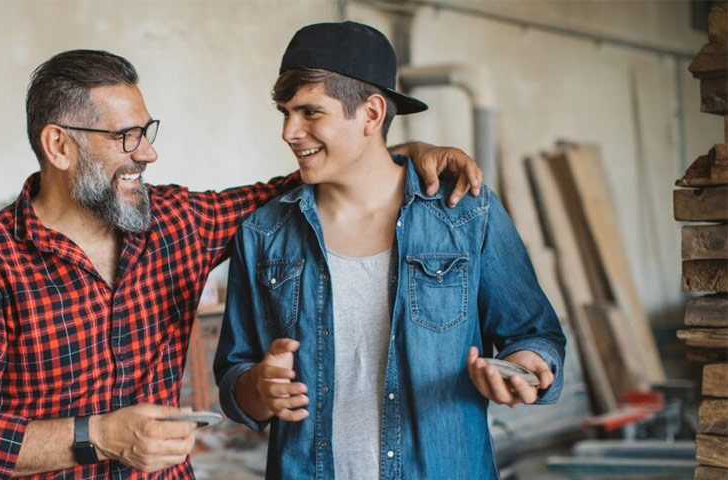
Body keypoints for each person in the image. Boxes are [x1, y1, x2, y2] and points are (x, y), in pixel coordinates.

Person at [0, 48, 485, 480]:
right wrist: (99, 437)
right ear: (59, 146)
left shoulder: (176, 222)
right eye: (127, 137)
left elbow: (285, 190)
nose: (149, 152)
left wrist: (384, 150)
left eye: (147, 131)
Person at [213, 22, 566, 480]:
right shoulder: (264, 233)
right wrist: (256, 390)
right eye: (284, 112)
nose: (289, 132)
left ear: (372, 113)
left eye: (310, 113)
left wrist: (521, 368)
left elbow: (535, 334)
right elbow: (234, 377)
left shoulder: (464, 215)